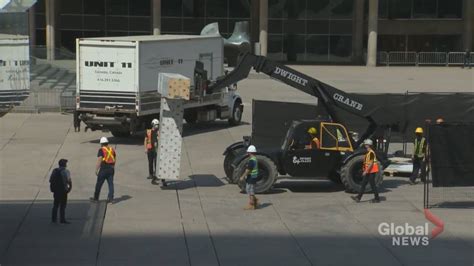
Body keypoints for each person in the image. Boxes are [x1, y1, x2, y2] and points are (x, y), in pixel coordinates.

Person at [351, 139, 380, 203]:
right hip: (369, 171)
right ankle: (358, 198)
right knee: (363, 184)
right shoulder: (368, 153)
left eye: (366, 144)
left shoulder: (371, 153)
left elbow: (371, 163)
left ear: (368, 145)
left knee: (372, 185)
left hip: (372, 171)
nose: (365, 145)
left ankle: (377, 198)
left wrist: (365, 171)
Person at [90, 137, 116, 203]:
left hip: (104, 169)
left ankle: (96, 198)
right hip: (111, 168)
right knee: (110, 184)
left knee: (99, 184)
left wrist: (96, 169)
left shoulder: (101, 150)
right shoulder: (112, 149)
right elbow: (114, 159)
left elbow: (100, 159)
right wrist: (113, 167)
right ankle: (111, 198)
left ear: (101, 144)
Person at [50, 159, 72, 224]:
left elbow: (50, 180)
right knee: (63, 205)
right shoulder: (66, 171)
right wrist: (70, 188)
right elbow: (69, 181)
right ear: (65, 164)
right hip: (63, 190)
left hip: (56, 190)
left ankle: (54, 219)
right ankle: (62, 219)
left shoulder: (55, 171)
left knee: (55, 204)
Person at [239, 145, 259, 210]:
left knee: (250, 191)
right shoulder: (254, 159)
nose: (247, 153)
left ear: (250, 152)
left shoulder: (251, 161)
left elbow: (248, 170)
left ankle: (252, 205)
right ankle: (255, 200)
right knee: (250, 190)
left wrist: (242, 176)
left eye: (248, 152)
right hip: (253, 177)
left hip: (251, 178)